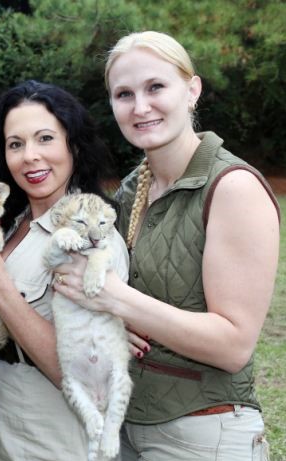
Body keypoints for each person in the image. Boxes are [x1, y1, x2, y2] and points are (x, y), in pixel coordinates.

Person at [52, 31, 280, 460]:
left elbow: (233, 346)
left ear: (192, 90)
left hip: (203, 433)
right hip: (127, 427)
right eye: (124, 94)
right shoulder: (132, 189)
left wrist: (118, 301)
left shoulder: (233, 188)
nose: (140, 107)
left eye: (156, 87)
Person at [0, 80, 129, 460]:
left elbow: (88, 379)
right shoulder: (11, 225)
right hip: (7, 433)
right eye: (15, 144)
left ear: (73, 144)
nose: (30, 157)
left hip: (60, 441)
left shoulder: (91, 243)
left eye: (45, 139)